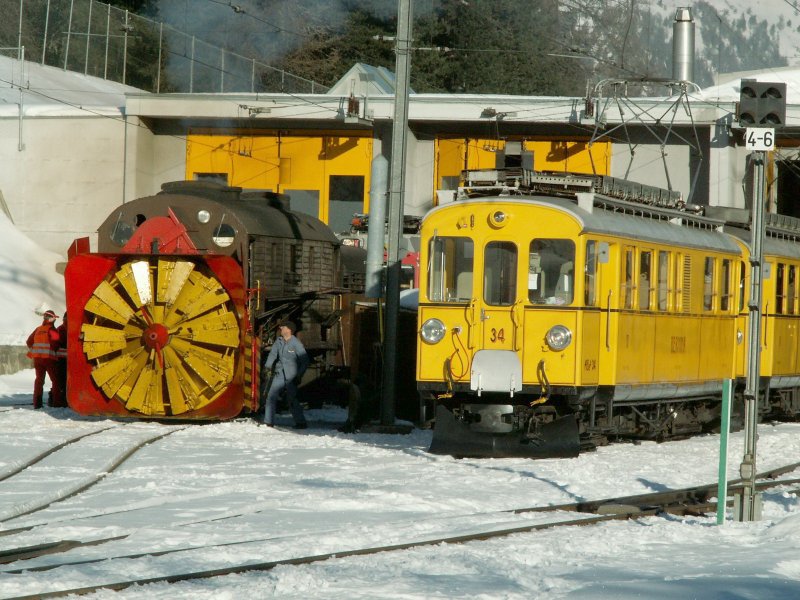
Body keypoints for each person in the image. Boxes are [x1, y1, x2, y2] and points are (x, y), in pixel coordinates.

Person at [262, 320, 309, 428]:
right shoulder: (278, 341)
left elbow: (305, 361)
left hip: (291, 376)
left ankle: (301, 422)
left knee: (291, 398)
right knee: (271, 396)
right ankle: (268, 422)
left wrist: (299, 375)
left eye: (283, 327)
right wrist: (267, 367)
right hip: (279, 374)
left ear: (289, 329)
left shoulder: (296, 343)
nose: (280, 329)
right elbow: (273, 355)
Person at [26, 310, 63, 409]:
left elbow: (29, 341)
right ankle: (57, 404)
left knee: (39, 381)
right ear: (50, 319)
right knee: (55, 381)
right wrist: (54, 349)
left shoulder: (38, 329)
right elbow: (56, 342)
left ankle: (37, 404)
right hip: (49, 359)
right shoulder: (52, 330)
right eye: (54, 318)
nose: (55, 320)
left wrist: (37, 350)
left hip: (37, 359)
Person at [54, 312, 68, 407]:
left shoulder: (59, 329)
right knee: (63, 381)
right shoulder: (68, 329)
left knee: (60, 381)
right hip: (65, 359)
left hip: (59, 359)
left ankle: (59, 400)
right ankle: (62, 401)